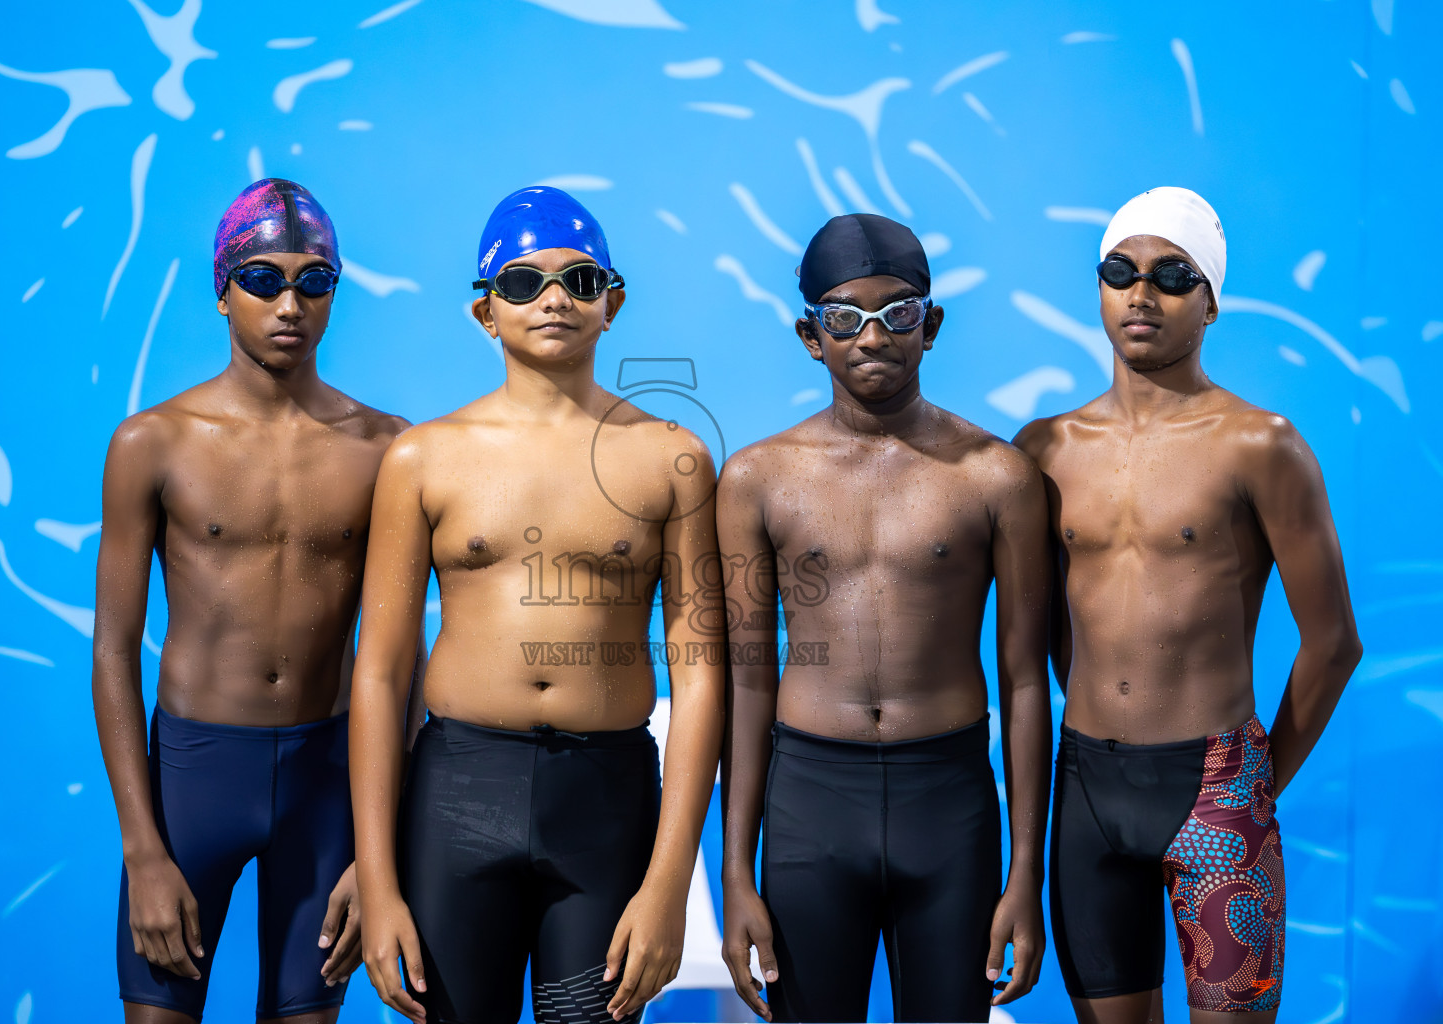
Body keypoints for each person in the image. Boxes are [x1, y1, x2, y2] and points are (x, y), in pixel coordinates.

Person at [349, 186, 725, 1024]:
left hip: (605, 796)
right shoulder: (424, 458)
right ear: (486, 311)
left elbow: (701, 682)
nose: (554, 299)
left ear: (612, 304)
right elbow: (380, 675)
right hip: (459, 793)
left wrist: (668, 885)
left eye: (579, 281)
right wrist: (378, 881)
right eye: (523, 283)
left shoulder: (672, 460)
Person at [1015, 186, 1363, 1024]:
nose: (1142, 293)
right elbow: (1040, 645)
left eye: (1173, 274)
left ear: (1210, 303)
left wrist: (1253, 784)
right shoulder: (1044, 450)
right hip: (1087, 786)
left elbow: (1335, 643)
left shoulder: (1259, 444)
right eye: (1119, 270)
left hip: (1217, 788)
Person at [718, 213, 1052, 1023]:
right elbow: (748, 685)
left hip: (949, 802)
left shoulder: (996, 476)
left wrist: (1024, 877)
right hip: (810, 803)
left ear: (930, 325)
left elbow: (1024, 681)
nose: (873, 336)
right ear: (810, 335)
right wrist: (735, 875)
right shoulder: (756, 479)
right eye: (844, 317)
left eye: (897, 312)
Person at [93, 178, 409, 1022]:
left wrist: (378, 852)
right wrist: (143, 849)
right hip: (194, 777)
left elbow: (402, 658)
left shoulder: (389, 448)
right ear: (223, 291)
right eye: (265, 279)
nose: (290, 304)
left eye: (315, 281)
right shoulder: (152, 443)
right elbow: (114, 651)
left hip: (329, 781)